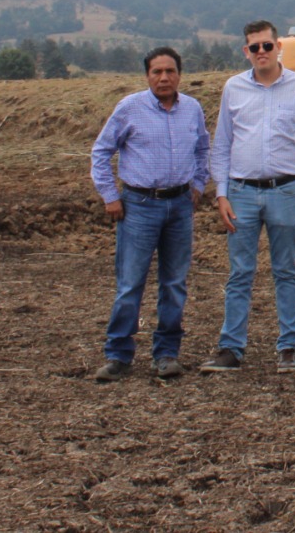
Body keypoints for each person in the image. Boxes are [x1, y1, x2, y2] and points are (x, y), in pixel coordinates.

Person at [201, 20, 295, 373]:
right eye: (254, 47)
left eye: (266, 46)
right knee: (240, 272)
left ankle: (289, 346)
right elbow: (222, 144)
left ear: (278, 47)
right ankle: (231, 348)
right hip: (241, 192)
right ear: (246, 51)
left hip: (286, 191)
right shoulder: (233, 88)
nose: (261, 53)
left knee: (286, 270)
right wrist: (221, 194)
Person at [89, 46, 210, 382]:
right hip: (139, 206)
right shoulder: (130, 108)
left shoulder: (192, 109)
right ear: (147, 76)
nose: (164, 77)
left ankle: (167, 353)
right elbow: (101, 152)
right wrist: (110, 196)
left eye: (170, 71)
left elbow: (203, 148)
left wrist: (198, 184)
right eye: (157, 72)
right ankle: (118, 355)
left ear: (179, 75)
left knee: (174, 283)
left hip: (180, 206)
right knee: (130, 283)